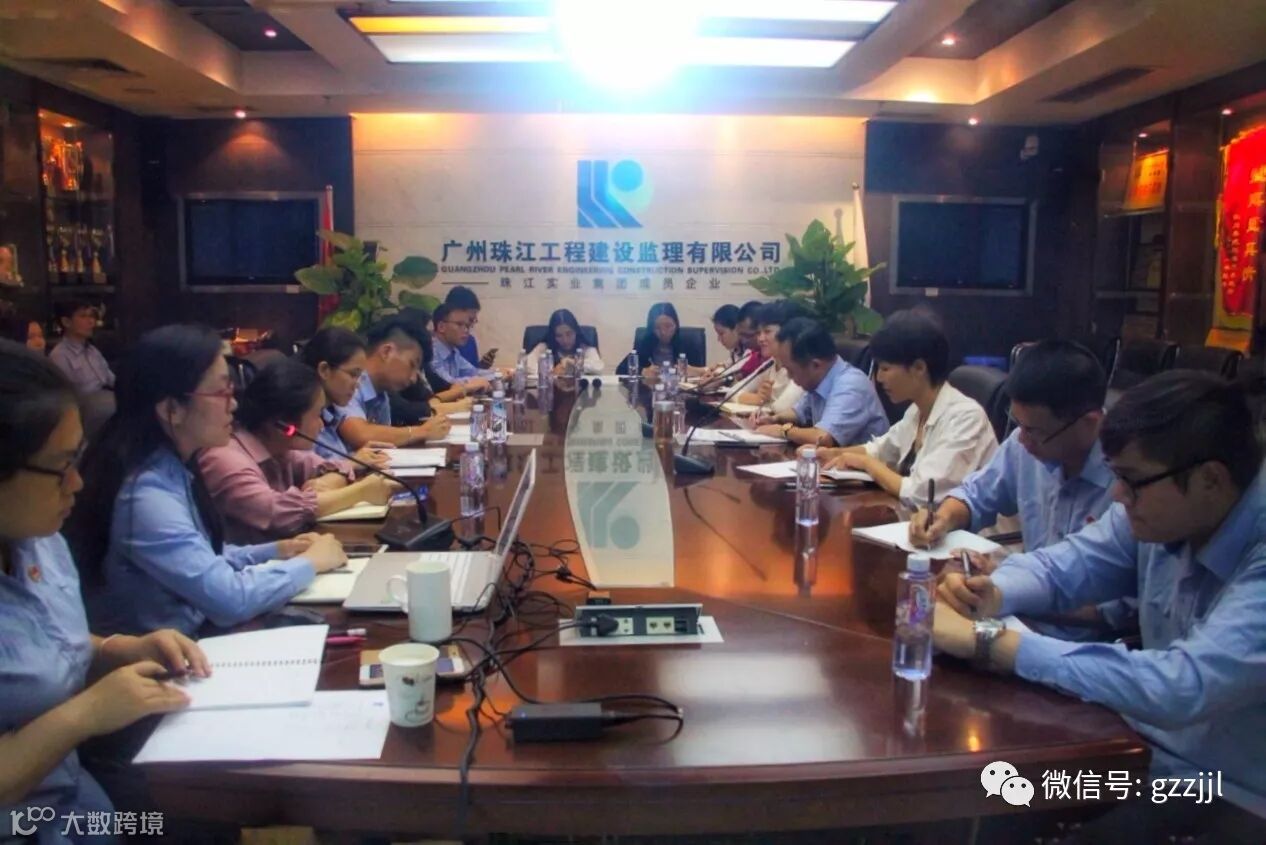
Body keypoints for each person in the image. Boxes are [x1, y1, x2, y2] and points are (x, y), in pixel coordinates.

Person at [934, 371, 1266, 831]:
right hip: (1140, 750)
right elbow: (1064, 565)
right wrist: (991, 592)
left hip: (1226, 790)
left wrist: (992, 642)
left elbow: (1183, 686)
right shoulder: (1162, 507)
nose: (1117, 494)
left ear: (1210, 479)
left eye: (1131, 481)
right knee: (987, 796)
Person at [0, 340, 206, 842]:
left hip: (77, 803)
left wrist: (119, 649)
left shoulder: (38, 539)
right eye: (60, 466)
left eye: (79, 459)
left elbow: (40, 644)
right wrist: (84, 715)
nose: (77, 483)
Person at [67, 324, 348, 637]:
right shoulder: (145, 494)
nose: (234, 404)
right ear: (172, 409)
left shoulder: (173, 466)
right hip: (173, 655)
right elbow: (230, 599)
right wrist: (310, 563)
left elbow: (204, 557)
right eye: (221, 392)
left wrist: (278, 550)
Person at [909, 339, 1115, 551]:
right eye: (1018, 424)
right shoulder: (1024, 442)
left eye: (1035, 431)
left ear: (1089, 423)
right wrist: (944, 518)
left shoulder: (1125, 479)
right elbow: (976, 495)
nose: (1023, 440)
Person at [198, 358, 401, 545]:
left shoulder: (281, 449)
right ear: (285, 425)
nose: (321, 424)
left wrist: (326, 483)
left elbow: (332, 468)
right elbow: (278, 514)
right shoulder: (225, 459)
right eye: (316, 415)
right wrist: (359, 492)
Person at [817, 310, 997, 508]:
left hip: (963, 528)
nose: (879, 378)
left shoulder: (966, 418)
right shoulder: (917, 410)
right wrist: (835, 454)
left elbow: (922, 494)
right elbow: (881, 450)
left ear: (919, 368)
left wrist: (867, 464)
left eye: (885, 368)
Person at [753, 318, 888, 447]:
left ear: (815, 365)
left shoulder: (851, 385)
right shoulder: (819, 381)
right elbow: (799, 412)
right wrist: (774, 419)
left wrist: (783, 430)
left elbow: (822, 438)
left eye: (791, 370)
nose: (789, 376)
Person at [334, 316, 451, 452]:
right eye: (412, 365)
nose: (414, 379)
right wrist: (422, 431)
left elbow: (383, 447)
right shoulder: (351, 381)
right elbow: (360, 434)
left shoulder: (381, 394)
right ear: (387, 352)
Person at [300, 327, 397, 465]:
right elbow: (312, 474)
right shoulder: (303, 420)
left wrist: (358, 456)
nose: (357, 385)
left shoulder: (331, 416)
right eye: (353, 374)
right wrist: (352, 462)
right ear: (324, 370)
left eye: (359, 376)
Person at [734, 300, 806, 413]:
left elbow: (781, 408)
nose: (760, 339)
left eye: (767, 332)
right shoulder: (771, 363)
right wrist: (757, 398)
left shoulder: (801, 366)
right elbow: (732, 393)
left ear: (788, 333)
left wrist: (764, 401)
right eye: (758, 333)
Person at [430, 302, 511, 393]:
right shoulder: (430, 352)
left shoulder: (454, 351)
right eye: (460, 324)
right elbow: (449, 384)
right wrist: (480, 381)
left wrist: (501, 372)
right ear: (441, 327)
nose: (466, 330)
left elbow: (474, 372)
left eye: (467, 326)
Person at [620, 302, 704, 377]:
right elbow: (620, 369)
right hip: (651, 388)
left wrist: (696, 371)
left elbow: (704, 373)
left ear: (676, 325)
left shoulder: (688, 344)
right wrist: (642, 371)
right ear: (651, 329)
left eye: (668, 326)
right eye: (657, 327)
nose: (663, 332)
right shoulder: (645, 344)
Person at [48, 300, 114, 394]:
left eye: (91, 316)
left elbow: (111, 379)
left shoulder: (93, 351)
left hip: (108, 396)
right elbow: (65, 395)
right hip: (86, 401)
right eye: (83, 316)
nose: (91, 321)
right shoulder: (60, 356)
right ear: (66, 322)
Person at [525, 308, 603, 376]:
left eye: (569, 334)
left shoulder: (585, 347)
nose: (565, 340)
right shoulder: (545, 347)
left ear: (576, 332)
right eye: (559, 336)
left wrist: (572, 363)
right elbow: (526, 365)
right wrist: (552, 372)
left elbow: (598, 367)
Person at [446, 285, 497, 369]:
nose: (470, 325)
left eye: (473, 320)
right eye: (470, 319)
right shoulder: (435, 348)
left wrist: (483, 365)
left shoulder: (470, 341)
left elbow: (472, 372)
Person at [734, 300, 766, 378]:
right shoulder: (756, 355)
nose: (743, 341)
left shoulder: (773, 358)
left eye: (748, 336)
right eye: (741, 334)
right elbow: (739, 376)